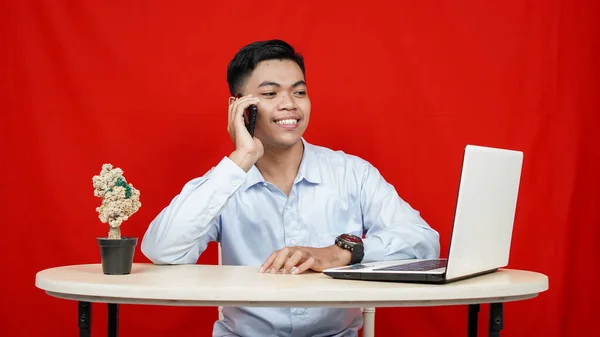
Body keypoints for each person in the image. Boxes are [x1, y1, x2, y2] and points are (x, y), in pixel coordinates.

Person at [141, 39, 440, 337]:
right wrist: (241, 158)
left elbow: (423, 242)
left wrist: (342, 253)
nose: (290, 104)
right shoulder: (224, 182)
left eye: (299, 92)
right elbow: (163, 249)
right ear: (239, 107)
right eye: (270, 93)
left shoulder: (352, 173)